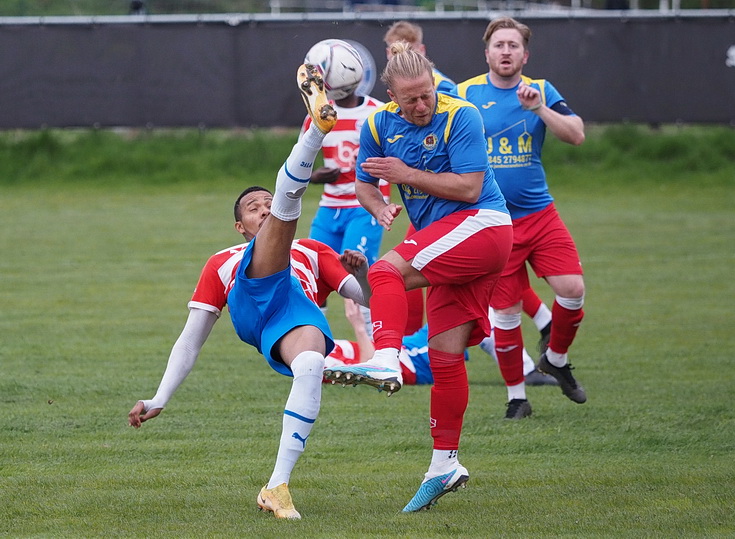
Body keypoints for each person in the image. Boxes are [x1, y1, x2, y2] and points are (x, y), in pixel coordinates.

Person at [128, 64, 371, 520]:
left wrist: (367, 272)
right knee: (288, 208)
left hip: (294, 316)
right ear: (240, 226)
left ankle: (277, 486)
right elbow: (191, 338)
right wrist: (160, 396)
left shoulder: (315, 251)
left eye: (265, 206)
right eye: (253, 209)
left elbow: (368, 297)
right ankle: (316, 130)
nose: (262, 211)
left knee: (312, 364)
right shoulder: (222, 261)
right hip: (253, 298)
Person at [324, 42, 514, 512]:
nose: (421, 105)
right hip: (449, 237)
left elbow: (470, 187)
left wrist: (405, 172)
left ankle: (385, 358)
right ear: (390, 94)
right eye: (410, 99)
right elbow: (365, 181)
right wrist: (379, 204)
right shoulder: (377, 123)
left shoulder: (461, 114)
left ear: (433, 83)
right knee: (444, 356)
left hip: (483, 225)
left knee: (386, 271)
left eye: (426, 93)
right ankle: (444, 465)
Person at [456, 17, 588, 420]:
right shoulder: (465, 94)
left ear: (524, 55)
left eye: (514, 45)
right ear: (487, 53)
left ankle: (556, 358)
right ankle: (517, 398)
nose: (507, 51)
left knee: (573, 290)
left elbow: (576, 134)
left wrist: (540, 108)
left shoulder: (541, 90)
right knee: (507, 314)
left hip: (540, 214)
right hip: (494, 222)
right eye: (500, 45)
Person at [301, 41, 389, 334]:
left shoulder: (379, 113)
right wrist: (316, 177)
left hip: (364, 208)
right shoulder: (318, 115)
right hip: (329, 208)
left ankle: (377, 353)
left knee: (357, 276)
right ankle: (315, 349)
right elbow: (301, 164)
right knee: (312, 275)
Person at [324, 299, 468, 386]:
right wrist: (359, 327)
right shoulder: (319, 363)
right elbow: (368, 371)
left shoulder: (310, 341)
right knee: (466, 314)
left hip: (403, 346)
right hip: (413, 362)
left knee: (459, 302)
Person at [383, 21, 457, 95]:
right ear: (388, 53)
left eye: (410, 50)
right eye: (396, 52)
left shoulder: (442, 85)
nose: (404, 57)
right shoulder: (394, 83)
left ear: (422, 50)